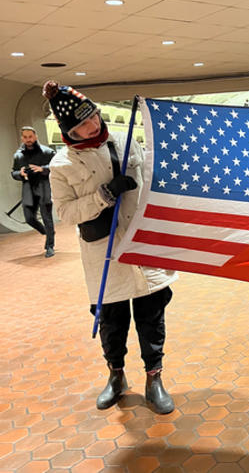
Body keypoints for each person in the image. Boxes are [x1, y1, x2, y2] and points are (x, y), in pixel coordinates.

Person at [45, 81, 178, 414]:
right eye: (81, 125)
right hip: (103, 253)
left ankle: (154, 378)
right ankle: (116, 375)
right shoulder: (61, 165)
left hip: (141, 243)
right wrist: (103, 195)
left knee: (151, 317)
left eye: (92, 118)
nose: (92, 127)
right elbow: (64, 213)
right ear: (67, 131)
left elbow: (151, 182)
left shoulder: (126, 140)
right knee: (112, 321)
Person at [10, 126, 56, 257]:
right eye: (25, 137)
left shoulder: (47, 152)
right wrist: (20, 173)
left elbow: (57, 166)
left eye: (30, 136)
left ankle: (50, 246)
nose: (28, 139)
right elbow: (13, 172)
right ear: (22, 138)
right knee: (29, 218)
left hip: (44, 187)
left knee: (47, 218)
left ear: (35, 136)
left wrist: (42, 169)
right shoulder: (18, 155)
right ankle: (48, 232)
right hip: (28, 189)